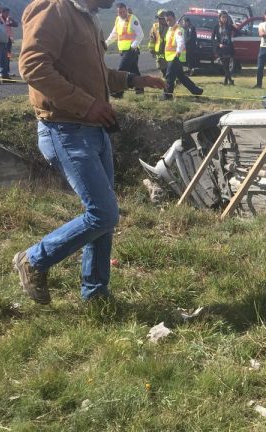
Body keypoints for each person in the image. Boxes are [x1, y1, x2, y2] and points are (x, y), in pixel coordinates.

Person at [16, 0, 165, 304]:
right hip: (65, 129)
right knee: (104, 213)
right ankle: (33, 259)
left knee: (103, 214)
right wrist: (87, 104)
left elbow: (96, 75)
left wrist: (135, 79)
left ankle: (95, 294)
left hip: (94, 129)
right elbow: (32, 66)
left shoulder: (87, 17)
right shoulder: (52, 9)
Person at [161, 11, 204, 100]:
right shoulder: (170, 30)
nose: (168, 22)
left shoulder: (178, 30)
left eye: (170, 20)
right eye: (167, 20)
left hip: (175, 57)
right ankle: (197, 91)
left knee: (169, 76)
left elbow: (180, 42)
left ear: (174, 18)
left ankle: (167, 95)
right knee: (182, 77)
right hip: (170, 57)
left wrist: (178, 51)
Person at [106, 2, 144, 96]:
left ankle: (118, 92)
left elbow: (140, 34)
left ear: (126, 10)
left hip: (131, 50)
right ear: (117, 12)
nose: (122, 14)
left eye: (123, 12)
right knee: (134, 70)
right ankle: (140, 89)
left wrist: (133, 46)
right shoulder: (118, 20)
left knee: (121, 70)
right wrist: (105, 43)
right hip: (123, 51)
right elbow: (114, 35)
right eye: (120, 12)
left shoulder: (133, 18)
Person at [212, 11, 236, 86]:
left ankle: (226, 82)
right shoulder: (216, 26)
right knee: (225, 66)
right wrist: (219, 44)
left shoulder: (229, 26)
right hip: (221, 48)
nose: (224, 19)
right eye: (223, 17)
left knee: (227, 65)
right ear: (220, 18)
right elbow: (212, 38)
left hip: (228, 47)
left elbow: (238, 31)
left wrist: (233, 34)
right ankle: (230, 81)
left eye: (226, 17)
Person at [148, 9, 169, 78]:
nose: (160, 20)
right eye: (159, 18)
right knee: (160, 65)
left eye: (162, 19)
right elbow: (152, 38)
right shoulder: (155, 27)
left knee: (168, 66)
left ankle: (168, 80)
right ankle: (165, 76)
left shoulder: (171, 27)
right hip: (159, 51)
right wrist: (151, 49)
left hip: (168, 51)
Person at [0, 7, 18, 81]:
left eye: (8, 13)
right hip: (2, 40)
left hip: (9, 40)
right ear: (2, 12)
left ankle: (7, 72)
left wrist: (11, 19)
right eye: (6, 13)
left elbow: (16, 25)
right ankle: (2, 72)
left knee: (8, 57)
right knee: (2, 57)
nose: (7, 14)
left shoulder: (8, 19)